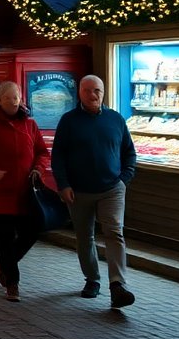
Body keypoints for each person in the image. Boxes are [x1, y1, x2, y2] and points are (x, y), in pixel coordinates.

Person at [52, 74, 137, 308]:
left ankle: (118, 284)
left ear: (103, 92)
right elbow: (57, 156)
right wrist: (63, 185)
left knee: (115, 233)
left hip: (112, 189)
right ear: (80, 92)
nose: (93, 95)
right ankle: (92, 279)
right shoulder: (69, 121)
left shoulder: (116, 120)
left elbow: (129, 152)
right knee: (84, 237)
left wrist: (124, 179)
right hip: (78, 191)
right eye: (88, 90)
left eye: (97, 90)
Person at [0, 82, 50, 302]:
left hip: (25, 191)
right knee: (4, 236)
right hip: (0, 192)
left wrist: (38, 169)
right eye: (10, 98)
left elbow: (42, 152)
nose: (15, 101)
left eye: (17, 97)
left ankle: (5, 264)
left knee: (33, 230)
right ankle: (12, 283)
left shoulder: (30, 124)